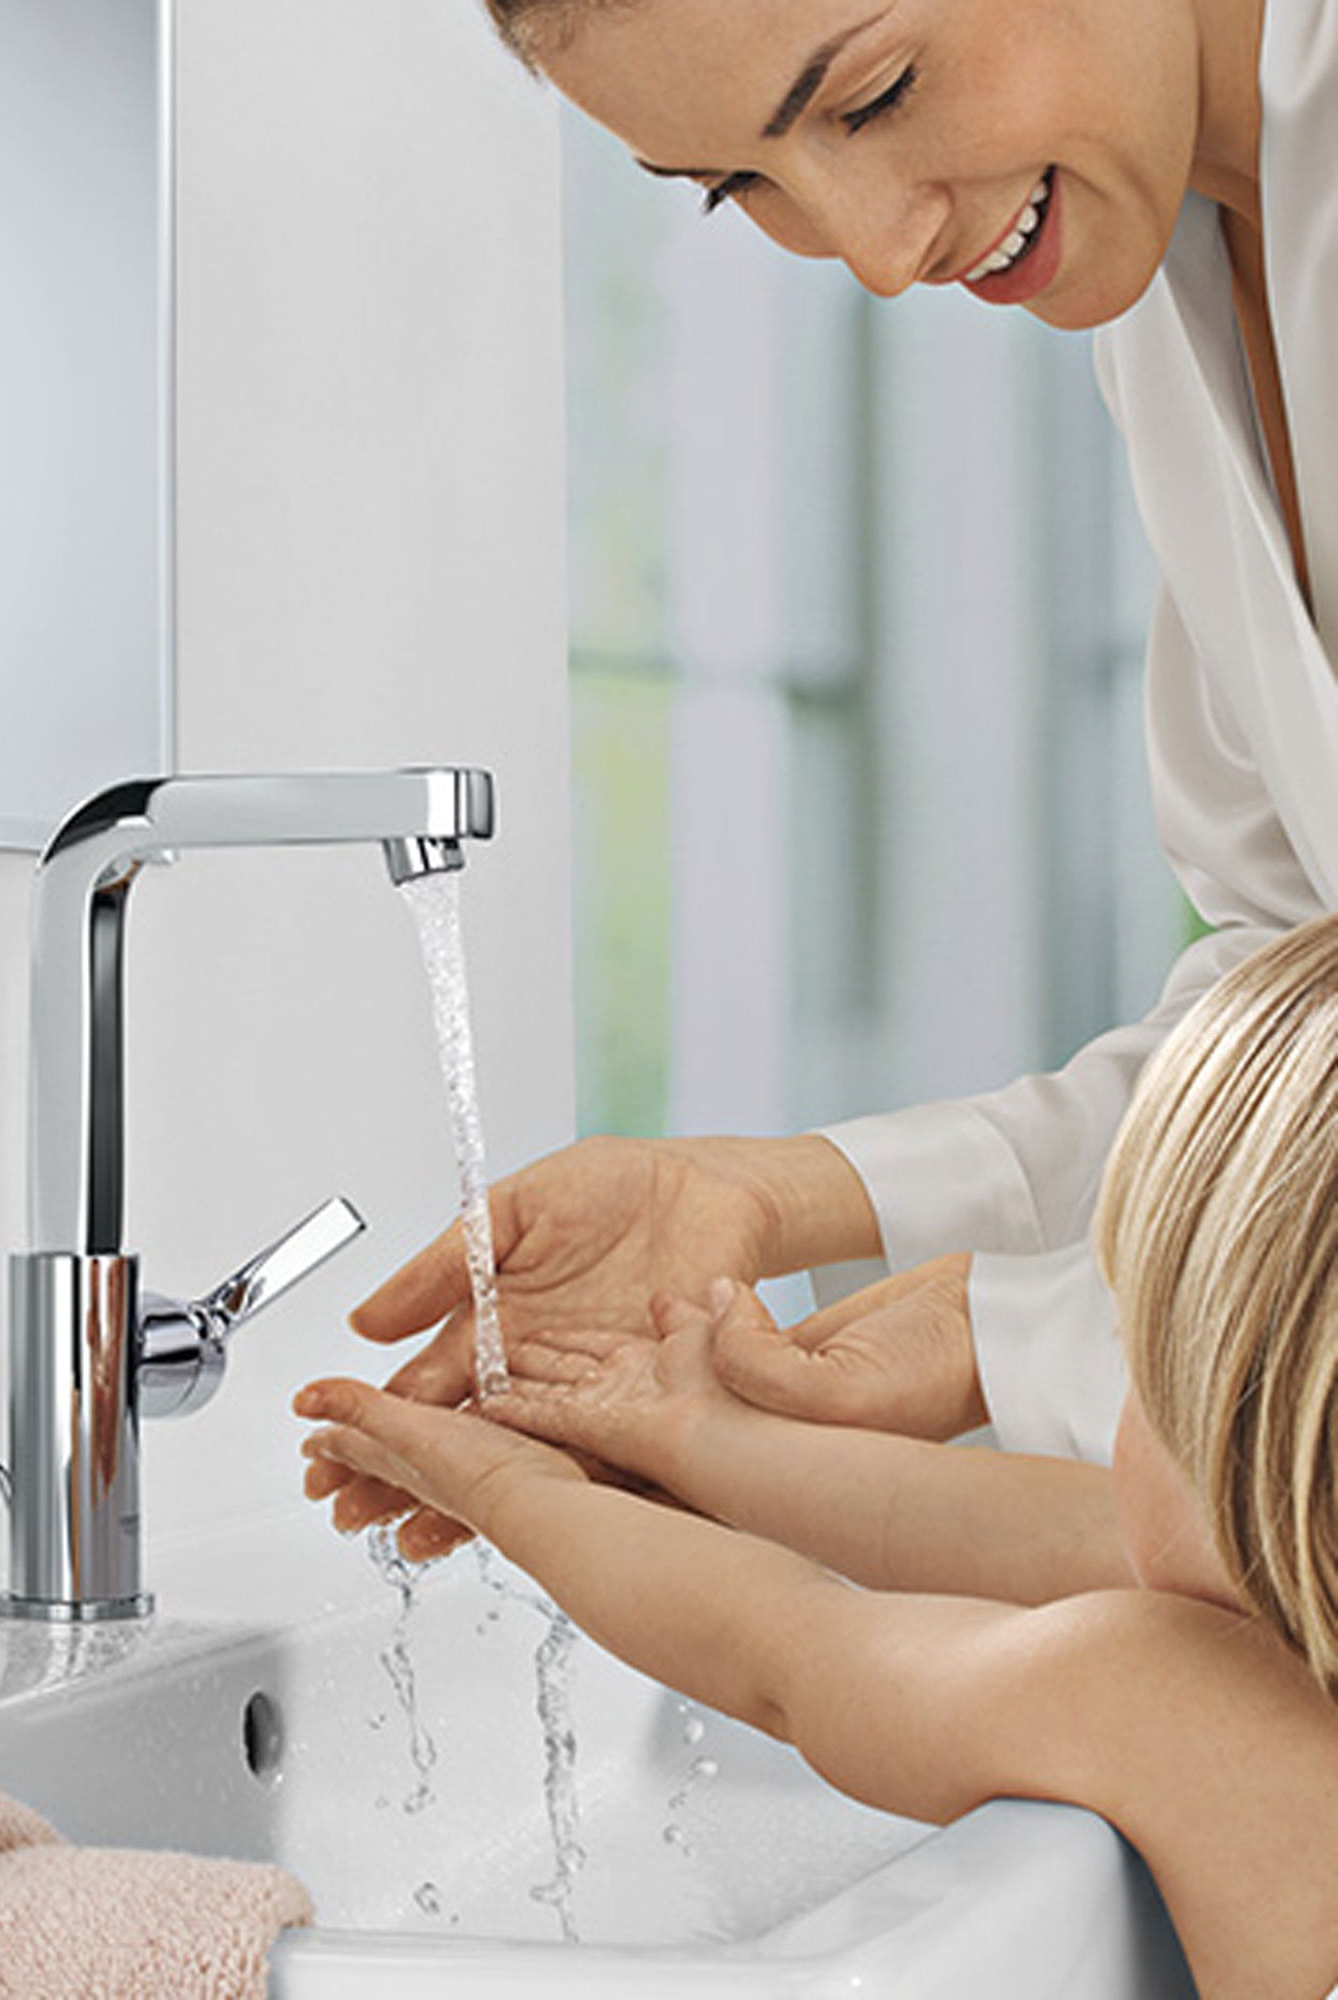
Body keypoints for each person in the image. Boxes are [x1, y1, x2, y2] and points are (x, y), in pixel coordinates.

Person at [320, 0, 1338, 1545]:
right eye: (738, 184)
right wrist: (799, 1196)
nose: (871, 250)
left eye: (876, 93)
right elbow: (1293, 1008)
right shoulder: (1160, 270)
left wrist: (1019, 1340)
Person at [300, 914, 1338, 2000]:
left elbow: (787, 1646)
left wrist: (517, 1491)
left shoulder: (1201, 1714)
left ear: (1243, 1423)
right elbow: (1051, 1527)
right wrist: (705, 1439)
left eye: (1129, 1348)